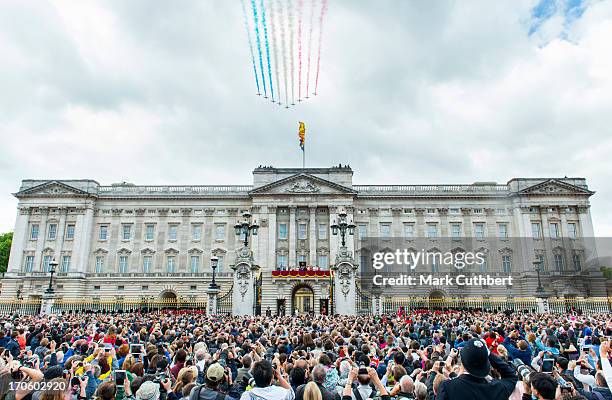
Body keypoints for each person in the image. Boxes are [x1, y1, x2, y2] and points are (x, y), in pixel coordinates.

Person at [436, 338, 518, 400]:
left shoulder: (447, 387)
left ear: (463, 362)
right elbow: (511, 376)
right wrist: (488, 354)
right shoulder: (498, 388)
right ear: (486, 365)